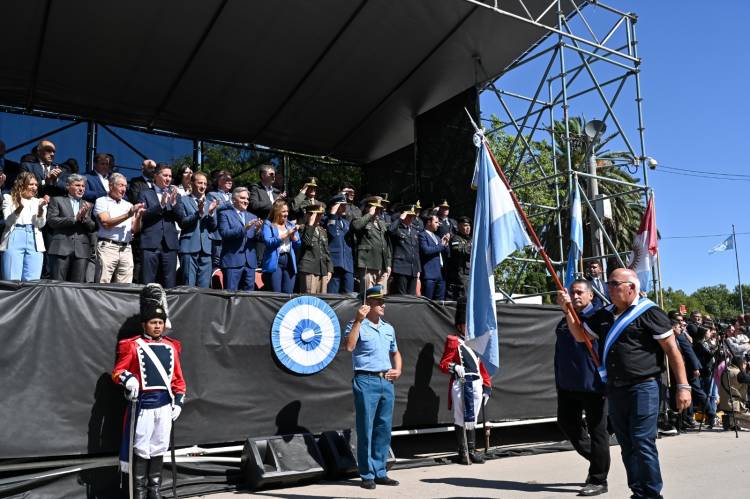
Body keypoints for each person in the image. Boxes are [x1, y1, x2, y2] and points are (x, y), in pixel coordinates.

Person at [558, 267, 691, 499]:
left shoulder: (650, 312)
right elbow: (580, 335)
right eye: (608, 284)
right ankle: (637, 491)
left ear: (631, 288)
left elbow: (673, 350)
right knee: (627, 443)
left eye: (613, 284)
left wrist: (683, 386)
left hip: (644, 387)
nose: (608, 288)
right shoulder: (605, 314)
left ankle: (651, 494)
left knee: (642, 441)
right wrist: (567, 309)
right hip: (616, 388)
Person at [112, 294, 186, 499]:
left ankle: (154, 492)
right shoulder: (132, 345)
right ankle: (139, 494)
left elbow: (178, 380)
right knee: (142, 449)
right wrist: (128, 379)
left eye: (160, 323)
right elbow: (117, 372)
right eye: (153, 322)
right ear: (144, 324)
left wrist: (178, 402)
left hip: (164, 406)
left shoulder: (172, 346)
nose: (157, 326)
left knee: (159, 447)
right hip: (143, 407)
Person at [554, 279, 609, 496]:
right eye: (572, 292)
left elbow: (583, 337)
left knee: (598, 431)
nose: (575, 296)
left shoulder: (597, 318)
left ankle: (598, 479)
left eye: (579, 293)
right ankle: (598, 459)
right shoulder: (563, 320)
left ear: (590, 296)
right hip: (567, 384)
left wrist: (568, 311)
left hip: (592, 384)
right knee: (567, 424)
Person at [344, 285, 402, 490]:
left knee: (383, 428)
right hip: (365, 380)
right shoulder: (356, 324)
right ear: (367, 304)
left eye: (383, 301)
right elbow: (349, 347)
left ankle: (380, 471)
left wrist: (398, 370)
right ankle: (366, 473)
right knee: (365, 429)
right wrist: (358, 320)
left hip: (386, 381)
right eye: (378, 301)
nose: (383, 305)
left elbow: (395, 352)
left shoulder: (388, 328)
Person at [438, 297, 491, 465]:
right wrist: (454, 368)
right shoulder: (453, 341)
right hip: (461, 383)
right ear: (459, 325)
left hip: (475, 384)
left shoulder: (476, 342)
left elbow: (481, 368)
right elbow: (443, 364)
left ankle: (473, 449)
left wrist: (487, 387)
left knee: (472, 418)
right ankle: (463, 451)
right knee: (460, 417)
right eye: (464, 323)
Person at [45, 174, 96, 282]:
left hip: (81, 250)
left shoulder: (87, 205)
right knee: (57, 284)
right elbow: (52, 221)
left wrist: (84, 218)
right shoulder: (57, 200)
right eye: (77, 185)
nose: (81, 188)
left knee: (77, 286)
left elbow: (92, 227)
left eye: (83, 186)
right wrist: (74, 218)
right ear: (68, 186)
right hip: (61, 248)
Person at [94, 173, 144, 283]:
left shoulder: (128, 205)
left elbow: (135, 230)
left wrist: (139, 217)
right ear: (111, 186)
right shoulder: (101, 201)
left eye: (125, 186)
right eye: (121, 185)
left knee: (125, 287)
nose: (124, 189)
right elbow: (106, 223)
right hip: (108, 247)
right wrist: (128, 215)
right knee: (102, 283)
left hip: (126, 248)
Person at [0, 172, 48, 280]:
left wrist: (40, 210)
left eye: (36, 185)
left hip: (34, 240)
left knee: (32, 281)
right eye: (31, 184)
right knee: (12, 280)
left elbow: (40, 224)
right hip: (14, 236)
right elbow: (8, 222)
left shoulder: (39, 201)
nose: (34, 187)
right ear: (22, 184)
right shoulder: (9, 198)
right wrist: (19, 208)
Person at [138, 164, 180, 287]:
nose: (168, 179)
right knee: (148, 283)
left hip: (169, 245)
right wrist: (161, 205)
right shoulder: (145, 193)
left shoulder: (175, 195)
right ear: (156, 176)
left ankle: (168, 307)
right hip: (150, 244)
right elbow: (143, 215)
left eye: (170, 176)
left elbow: (181, 219)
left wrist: (174, 205)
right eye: (165, 175)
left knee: (169, 284)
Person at [174, 172, 218, 287]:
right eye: (200, 183)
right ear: (192, 183)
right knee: (188, 285)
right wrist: (198, 213)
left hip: (206, 250)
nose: (203, 186)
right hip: (189, 247)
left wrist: (212, 213)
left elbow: (213, 227)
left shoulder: (210, 203)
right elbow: (183, 222)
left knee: (204, 287)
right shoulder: (183, 200)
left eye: (205, 183)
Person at [218, 187, 263, 291]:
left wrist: (258, 231)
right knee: (231, 295)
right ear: (234, 199)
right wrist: (244, 228)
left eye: (247, 199)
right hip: (232, 262)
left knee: (248, 297)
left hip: (250, 263)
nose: (246, 201)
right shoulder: (225, 214)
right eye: (243, 198)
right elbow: (225, 234)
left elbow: (258, 239)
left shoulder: (253, 216)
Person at [352, 197, 391, 293]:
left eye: (379, 209)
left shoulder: (381, 223)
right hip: (368, 264)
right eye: (375, 208)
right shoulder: (360, 220)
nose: (378, 211)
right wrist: (370, 214)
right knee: (368, 296)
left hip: (382, 265)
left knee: (381, 297)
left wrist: (388, 264)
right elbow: (356, 226)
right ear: (367, 208)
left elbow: (387, 245)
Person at [261, 199, 301, 293]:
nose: (286, 214)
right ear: (276, 211)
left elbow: (298, 244)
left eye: (287, 211)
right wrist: (286, 234)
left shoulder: (291, 224)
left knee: (288, 293)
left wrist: (292, 236)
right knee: (276, 292)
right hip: (275, 261)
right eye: (283, 211)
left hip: (289, 260)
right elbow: (268, 242)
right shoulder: (268, 224)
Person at [297, 204, 332, 294]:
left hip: (322, 269)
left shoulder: (322, 231)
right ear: (309, 215)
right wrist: (311, 224)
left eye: (320, 215)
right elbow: (307, 242)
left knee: (321, 301)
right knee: (308, 298)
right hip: (309, 268)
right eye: (317, 215)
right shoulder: (302, 228)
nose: (319, 217)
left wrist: (330, 270)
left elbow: (326, 251)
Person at [387, 204, 420, 295]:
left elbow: (416, 252)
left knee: (412, 296)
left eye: (412, 216)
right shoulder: (397, 228)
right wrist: (400, 218)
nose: (411, 218)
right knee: (401, 295)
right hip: (400, 267)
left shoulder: (414, 231)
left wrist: (418, 269)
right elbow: (390, 230)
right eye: (409, 216)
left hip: (413, 268)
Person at [325, 194, 354, 294]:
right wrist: (332, 214)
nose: (345, 207)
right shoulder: (327, 219)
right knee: (333, 294)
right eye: (342, 205)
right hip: (335, 263)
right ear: (335, 206)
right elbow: (331, 232)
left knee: (349, 295)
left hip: (347, 263)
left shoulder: (346, 222)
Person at [419, 215, 450, 300]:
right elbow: (426, 250)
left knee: (439, 302)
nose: (438, 225)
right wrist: (441, 246)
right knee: (427, 301)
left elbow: (446, 253)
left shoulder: (437, 237)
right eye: (436, 222)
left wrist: (446, 244)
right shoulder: (422, 235)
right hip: (429, 275)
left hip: (441, 274)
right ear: (429, 222)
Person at [718, 355, 750, 430]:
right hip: (734, 405)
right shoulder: (739, 374)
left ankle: (730, 421)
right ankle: (730, 421)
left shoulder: (725, 371)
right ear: (741, 364)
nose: (746, 365)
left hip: (725, 404)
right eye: (745, 363)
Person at [446, 216, 472, 300]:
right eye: (465, 225)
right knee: (464, 297)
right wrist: (472, 247)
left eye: (469, 225)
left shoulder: (471, 239)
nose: (468, 228)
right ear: (459, 226)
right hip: (461, 273)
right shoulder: (455, 238)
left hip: (470, 272)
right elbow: (460, 252)